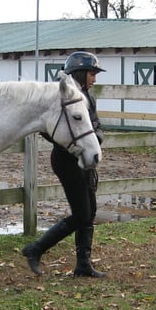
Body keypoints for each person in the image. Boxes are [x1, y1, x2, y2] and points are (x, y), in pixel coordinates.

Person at [22, 51, 106, 278]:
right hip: (67, 160)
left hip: (85, 158)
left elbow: (96, 124)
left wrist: (95, 139)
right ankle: (36, 248)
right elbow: (49, 129)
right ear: (79, 72)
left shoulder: (87, 96)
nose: (94, 78)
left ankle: (83, 264)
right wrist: (74, 144)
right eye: (91, 73)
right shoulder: (61, 97)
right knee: (81, 214)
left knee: (90, 211)